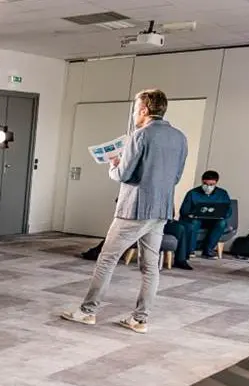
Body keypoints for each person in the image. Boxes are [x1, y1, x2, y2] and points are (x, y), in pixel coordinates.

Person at [62, 89, 187, 334]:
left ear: (144, 110)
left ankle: (88, 312)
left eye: (135, 109)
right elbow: (177, 175)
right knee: (151, 267)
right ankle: (140, 319)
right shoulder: (180, 137)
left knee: (107, 259)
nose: (133, 115)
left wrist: (113, 165)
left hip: (134, 209)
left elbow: (124, 175)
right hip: (161, 209)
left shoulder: (140, 136)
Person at [179, 170, 233, 259]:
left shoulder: (222, 194)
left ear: (216, 183)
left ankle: (208, 251)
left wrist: (222, 215)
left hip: (214, 220)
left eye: (211, 185)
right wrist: (191, 215)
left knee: (222, 223)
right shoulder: (192, 193)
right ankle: (190, 250)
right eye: (205, 184)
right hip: (196, 220)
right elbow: (184, 211)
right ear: (202, 181)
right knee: (194, 222)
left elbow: (228, 210)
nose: (208, 187)